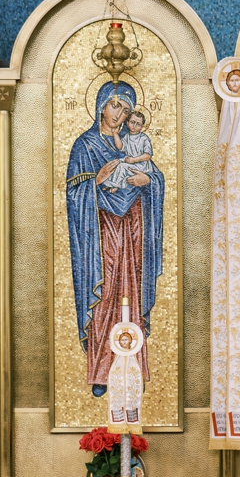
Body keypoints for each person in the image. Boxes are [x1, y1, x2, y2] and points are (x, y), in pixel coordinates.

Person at [65, 80, 164, 397]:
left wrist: (147, 179)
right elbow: (73, 191)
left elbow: (156, 178)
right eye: (114, 106)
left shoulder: (134, 143)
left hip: (133, 227)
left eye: (125, 108)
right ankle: (101, 370)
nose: (119, 114)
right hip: (101, 232)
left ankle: (133, 367)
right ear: (100, 107)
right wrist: (97, 180)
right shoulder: (85, 145)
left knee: (130, 292)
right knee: (106, 294)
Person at [118, 108, 157, 188]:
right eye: (132, 122)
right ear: (127, 123)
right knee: (117, 164)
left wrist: (134, 160)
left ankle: (116, 185)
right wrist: (115, 134)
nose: (134, 126)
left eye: (138, 124)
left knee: (122, 167)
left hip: (141, 166)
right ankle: (115, 184)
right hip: (131, 162)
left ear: (142, 126)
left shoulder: (144, 138)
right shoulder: (126, 137)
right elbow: (120, 147)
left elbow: (148, 155)